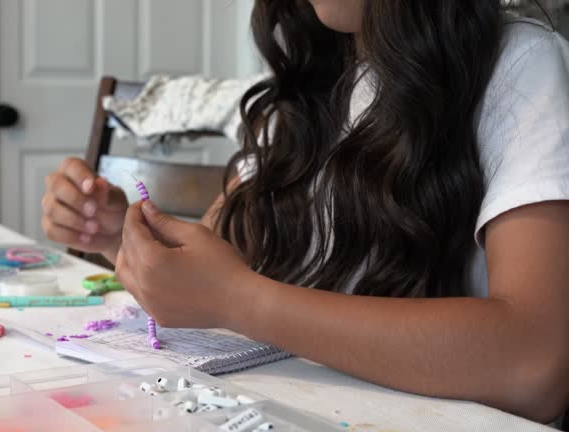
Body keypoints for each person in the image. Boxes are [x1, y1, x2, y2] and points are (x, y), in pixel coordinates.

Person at [42, 0, 569, 423]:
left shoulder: (517, 63)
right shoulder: (308, 91)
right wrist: (120, 239)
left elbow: (537, 366)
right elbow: (203, 273)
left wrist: (240, 301)